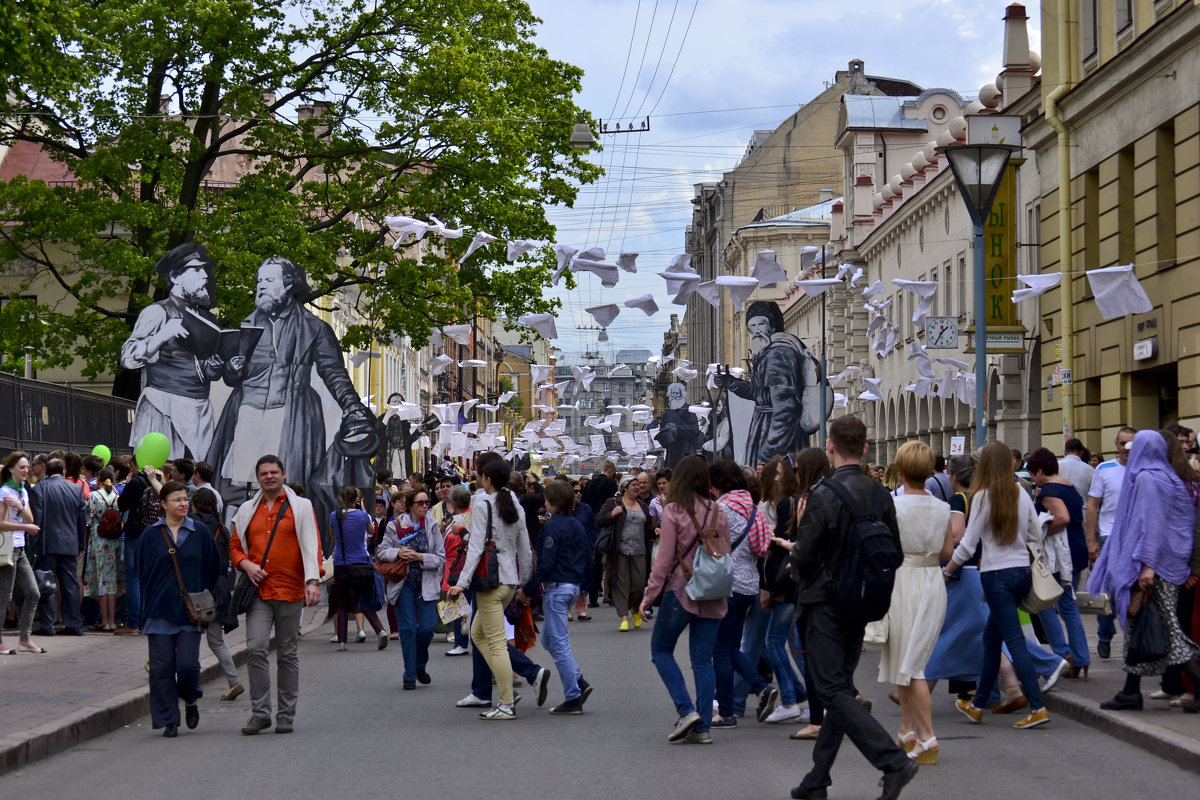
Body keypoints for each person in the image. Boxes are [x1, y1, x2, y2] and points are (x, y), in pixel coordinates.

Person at [787, 416, 917, 800]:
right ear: (864, 448)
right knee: (839, 688)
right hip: (862, 600)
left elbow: (806, 556)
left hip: (825, 602)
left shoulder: (822, 494)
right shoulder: (881, 494)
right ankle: (817, 778)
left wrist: (794, 564)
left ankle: (893, 761)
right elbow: (892, 547)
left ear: (830, 448)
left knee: (831, 690)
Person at [209, 256, 380, 539]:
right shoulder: (247, 325)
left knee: (290, 490)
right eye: (258, 281)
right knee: (235, 488)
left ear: (288, 285)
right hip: (246, 414)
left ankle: (287, 546)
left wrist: (353, 408)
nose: (260, 286)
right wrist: (232, 370)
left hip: (291, 418)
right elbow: (233, 376)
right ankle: (237, 549)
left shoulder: (314, 328)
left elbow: (334, 374)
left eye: (268, 280)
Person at [1086, 430, 1200, 712]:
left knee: (1170, 633)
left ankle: (1140, 691)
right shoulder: (1168, 476)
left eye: (1133, 446)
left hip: (1153, 568)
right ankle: (1130, 691)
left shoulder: (1147, 478)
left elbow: (1154, 525)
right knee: (1140, 626)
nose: (1128, 449)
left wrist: (1148, 566)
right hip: (1168, 563)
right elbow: (1181, 519)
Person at [945, 441, 1050, 731]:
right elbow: (1033, 532)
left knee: (1013, 640)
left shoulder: (981, 497)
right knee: (992, 641)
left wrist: (947, 572)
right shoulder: (1021, 493)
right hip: (1020, 572)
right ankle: (978, 705)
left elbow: (967, 544)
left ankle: (1037, 705)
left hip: (995, 575)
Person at [639, 455, 730, 745]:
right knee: (703, 661)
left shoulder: (674, 510)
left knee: (661, 649)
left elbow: (663, 560)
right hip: (713, 591)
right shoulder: (719, 510)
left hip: (682, 589)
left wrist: (648, 596)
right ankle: (702, 728)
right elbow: (723, 553)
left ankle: (686, 709)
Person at [229, 455, 322, 735]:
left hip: (291, 589)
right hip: (259, 593)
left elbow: (312, 544)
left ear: (283, 474)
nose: (269, 476)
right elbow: (234, 547)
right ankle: (260, 714)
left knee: (287, 654)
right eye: (263, 473)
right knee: (256, 649)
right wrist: (246, 564)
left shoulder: (301, 507)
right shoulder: (247, 509)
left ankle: (285, 715)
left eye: (274, 472)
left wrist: (313, 581)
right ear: (257, 478)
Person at [879, 441, 953, 765]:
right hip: (931, 580)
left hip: (902, 580)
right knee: (907, 658)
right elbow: (948, 552)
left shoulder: (892, 506)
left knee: (910, 664)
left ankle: (927, 737)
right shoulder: (942, 507)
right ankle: (907, 730)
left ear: (901, 469)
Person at [120, 243, 223, 461]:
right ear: (176, 277)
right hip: (164, 406)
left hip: (199, 410)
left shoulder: (206, 318)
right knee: (162, 473)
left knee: (197, 475)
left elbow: (198, 365)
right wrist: (162, 335)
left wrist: (213, 367)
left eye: (204, 269)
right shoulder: (157, 312)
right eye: (195, 270)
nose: (204, 276)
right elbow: (128, 358)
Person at [447, 459, 532, 720]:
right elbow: (525, 547)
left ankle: (506, 702)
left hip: (489, 582)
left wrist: (461, 582)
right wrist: (525, 581)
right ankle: (507, 691)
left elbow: (475, 546)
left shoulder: (483, 503)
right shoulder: (514, 503)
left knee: (494, 642)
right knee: (478, 634)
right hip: (509, 580)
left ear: (486, 479)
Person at [135, 481, 221, 737]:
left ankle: (191, 698)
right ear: (163, 504)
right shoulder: (150, 535)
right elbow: (140, 569)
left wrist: (200, 594)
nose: (183, 503)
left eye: (185, 499)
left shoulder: (200, 532)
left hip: (189, 612)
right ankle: (169, 719)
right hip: (158, 610)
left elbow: (213, 567)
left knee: (187, 666)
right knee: (161, 669)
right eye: (177, 500)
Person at [714, 299, 823, 466]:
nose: (756, 331)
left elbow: (785, 408)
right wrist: (731, 383)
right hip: (771, 429)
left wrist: (767, 457)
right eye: (752, 327)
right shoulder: (768, 351)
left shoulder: (778, 353)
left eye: (761, 324)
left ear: (772, 325)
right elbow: (760, 393)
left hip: (776, 437)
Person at [516, 479, 593, 714]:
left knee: (558, 644)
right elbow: (588, 556)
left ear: (552, 502)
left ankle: (573, 696)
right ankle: (578, 681)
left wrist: (528, 590)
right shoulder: (577, 525)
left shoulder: (551, 527)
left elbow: (546, 564)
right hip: (572, 586)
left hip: (557, 588)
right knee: (550, 640)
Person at [708, 458, 774, 729]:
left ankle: (727, 710)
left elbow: (712, 547)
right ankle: (758, 688)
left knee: (720, 650)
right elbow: (762, 547)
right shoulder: (753, 508)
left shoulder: (721, 508)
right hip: (749, 584)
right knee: (730, 646)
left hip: (725, 584)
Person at [1025, 447, 1091, 678]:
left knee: (1043, 604)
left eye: (1033, 474)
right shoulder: (1068, 486)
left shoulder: (1049, 490)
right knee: (1068, 606)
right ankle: (1081, 657)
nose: (1033, 479)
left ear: (1041, 471)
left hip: (1059, 557)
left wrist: (1042, 533)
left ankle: (1063, 653)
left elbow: (1062, 517)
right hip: (1076, 551)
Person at [379, 486, 443, 688]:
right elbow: (381, 551)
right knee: (408, 630)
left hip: (426, 583)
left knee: (426, 629)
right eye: (420, 503)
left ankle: (420, 665)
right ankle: (409, 675)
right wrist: (398, 554)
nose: (425, 506)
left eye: (427, 503)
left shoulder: (432, 525)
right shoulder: (395, 525)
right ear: (410, 506)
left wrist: (420, 557)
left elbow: (441, 558)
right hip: (403, 583)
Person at [188, 487, 243, 700]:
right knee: (216, 641)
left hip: (199, 589)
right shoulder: (222, 529)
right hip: (218, 590)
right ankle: (234, 680)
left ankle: (163, 665)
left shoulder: (192, 524)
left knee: (187, 634)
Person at [1087, 427, 1136, 658]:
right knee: (1111, 591)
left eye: (1132, 444)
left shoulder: (1144, 469)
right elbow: (1093, 505)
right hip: (1108, 538)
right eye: (1123, 443)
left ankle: (1131, 638)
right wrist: (1091, 540)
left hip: (1136, 540)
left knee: (1133, 592)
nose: (1127, 448)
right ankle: (1105, 633)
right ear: (1116, 444)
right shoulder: (1104, 470)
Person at [29, 457, 88, 636]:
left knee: (47, 584)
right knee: (70, 585)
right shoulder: (76, 489)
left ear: (47, 471)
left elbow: (36, 519)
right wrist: (80, 543)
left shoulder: (40, 489)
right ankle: (73, 624)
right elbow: (81, 519)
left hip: (48, 543)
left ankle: (48, 624)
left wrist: (35, 546)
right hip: (70, 544)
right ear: (63, 471)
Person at [330, 487, 387, 651]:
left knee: (341, 602)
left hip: (341, 562)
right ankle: (380, 630)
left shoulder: (334, 516)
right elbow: (371, 531)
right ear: (357, 499)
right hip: (360, 562)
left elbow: (333, 536)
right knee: (363, 598)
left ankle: (342, 641)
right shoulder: (362, 516)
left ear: (341, 499)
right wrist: (363, 509)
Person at [597, 474, 654, 631]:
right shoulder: (613, 503)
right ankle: (623, 617)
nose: (637, 487)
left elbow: (648, 528)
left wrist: (655, 531)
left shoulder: (643, 506)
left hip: (640, 551)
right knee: (621, 584)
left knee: (638, 584)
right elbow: (599, 520)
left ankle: (635, 610)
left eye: (638, 484)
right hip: (620, 550)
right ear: (624, 488)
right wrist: (612, 515)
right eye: (634, 485)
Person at [0, 452, 42, 654]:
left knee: (33, 593)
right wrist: (25, 528)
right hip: (7, 550)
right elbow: (0, 524)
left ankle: (24, 639)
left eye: (27, 467)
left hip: (20, 549)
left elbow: (30, 518)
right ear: (11, 469)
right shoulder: (4, 491)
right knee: (5, 597)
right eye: (21, 467)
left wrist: (19, 506)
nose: (26, 471)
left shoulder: (22, 491)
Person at [83, 468, 124, 632]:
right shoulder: (116, 496)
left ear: (99, 478)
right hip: (113, 541)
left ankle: (105, 620)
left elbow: (90, 517)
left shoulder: (94, 496)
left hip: (99, 541)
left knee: (102, 581)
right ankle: (113, 621)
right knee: (112, 582)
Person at [441, 485, 473, 656]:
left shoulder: (461, 520)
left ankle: (461, 642)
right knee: (466, 603)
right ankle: (465, 640)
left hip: (458, 566)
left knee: (458, 603)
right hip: (461, 565)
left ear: (453, 502)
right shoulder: (469, 515)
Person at [658, 382, 702, 467]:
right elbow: (662, 428)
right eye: (673, 393)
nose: (675, 396)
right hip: (672, 451)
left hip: (686, 450)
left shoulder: (689, 410)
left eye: (677, 393)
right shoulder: (668, 411)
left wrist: (677, 428)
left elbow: (694, 430)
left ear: (682, 394)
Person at [1058, 438, 1095, 504]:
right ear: (1081, 452)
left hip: (1059, 509)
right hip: (1083, 510)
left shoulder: (1056, 466)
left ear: (1065, 452)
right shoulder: (1090, 470)